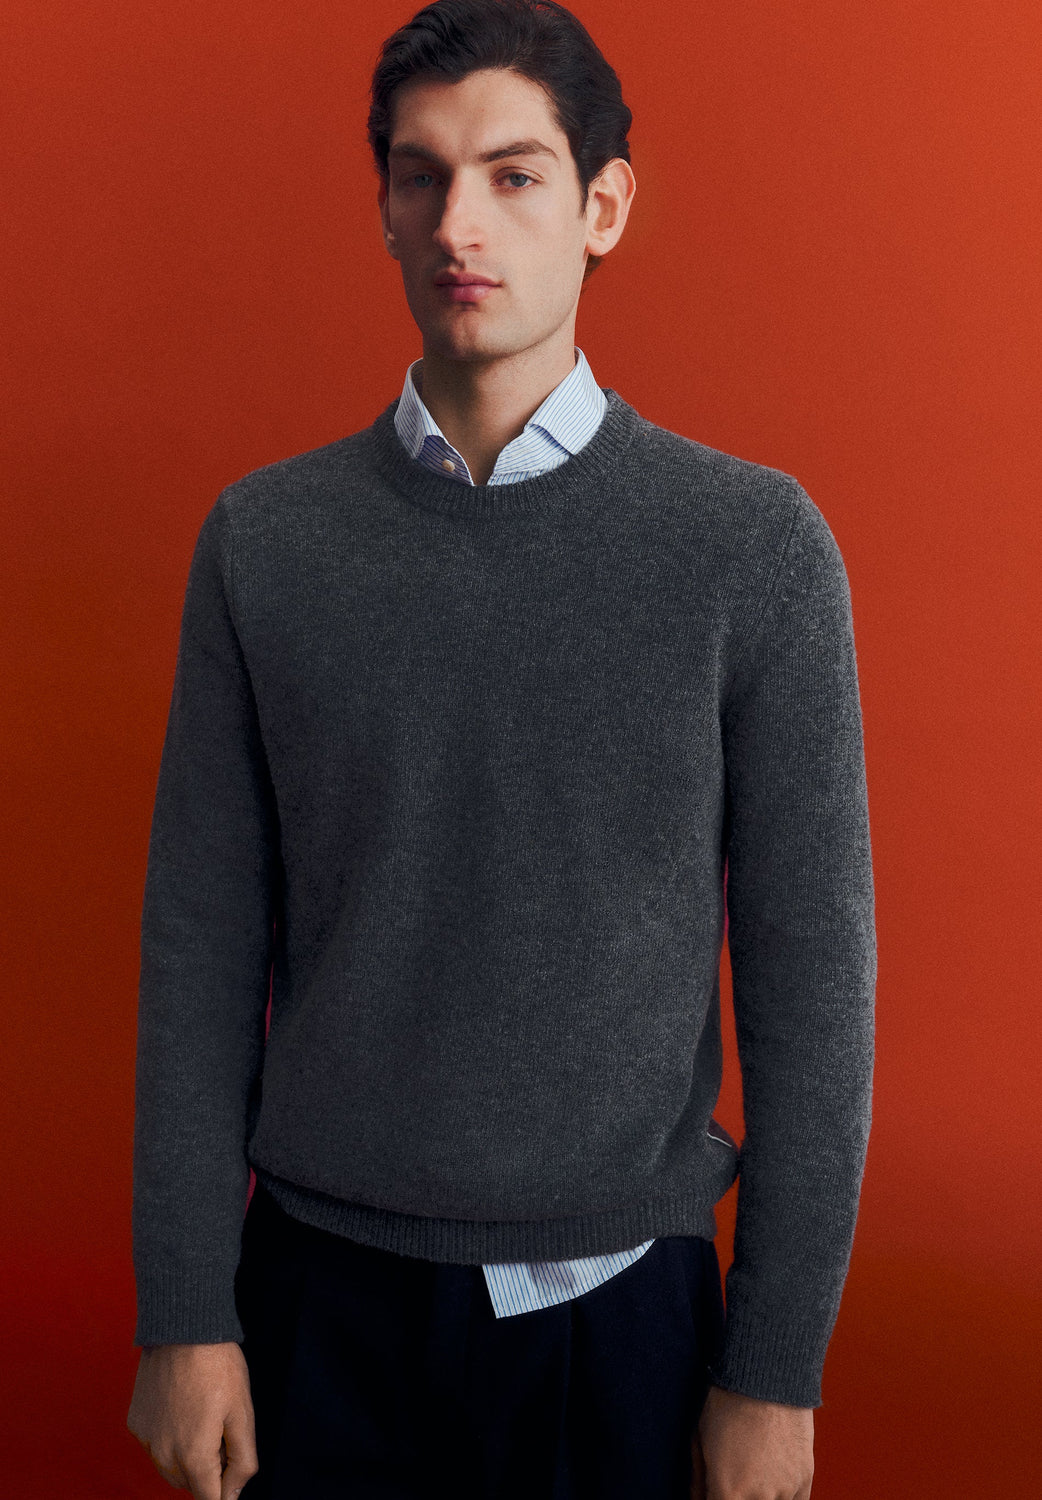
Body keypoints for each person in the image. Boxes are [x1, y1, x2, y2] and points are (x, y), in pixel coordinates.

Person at [126, 1, 876, 1497]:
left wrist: (775, 1369)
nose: (459, 224)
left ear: (603, 207)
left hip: (624, 1316)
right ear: (386, 207)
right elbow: (198, 954)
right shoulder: (266, 543)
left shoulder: (750, 548)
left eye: (514, 175)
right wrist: (185, 1311)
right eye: (421, 176)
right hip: (315, 1301)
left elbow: (815, 997)